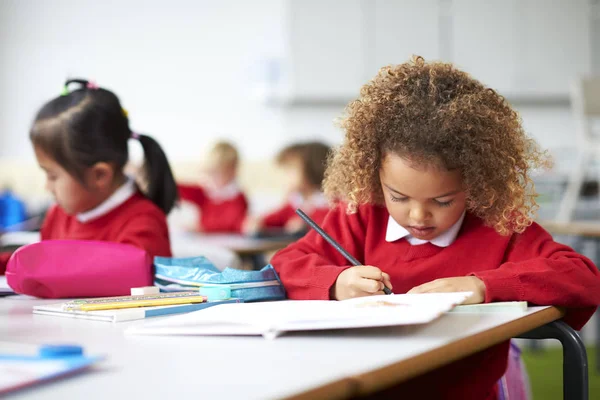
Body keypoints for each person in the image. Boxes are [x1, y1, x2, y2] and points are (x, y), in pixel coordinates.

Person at [270, 57, 600, 399]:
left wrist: (481, 286)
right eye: (398, 196)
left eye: (442, 201)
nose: (418, 216)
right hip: (364, 386)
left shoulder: (497, 223)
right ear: (374, 176)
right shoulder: (360, 214)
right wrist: (337, 282)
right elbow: (286, 265)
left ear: (476, 181)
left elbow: (580, 277)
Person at [32, 78, 175, 258]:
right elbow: (37, 262)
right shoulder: (58, 214)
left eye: (52, 176)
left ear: (99, 175)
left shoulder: (144, 225)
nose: (47, 187)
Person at [243, 142, 330, 236]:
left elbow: (330, 223)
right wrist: (260, 222)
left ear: (313, 170)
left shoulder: (329, 203)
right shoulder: (295, 201)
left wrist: (307, 225)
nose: (286, 176)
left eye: (290, 169)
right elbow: (277, 217)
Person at [178, 141, 248, 233]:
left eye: (216, 173)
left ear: (232, 172)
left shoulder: (238, 198)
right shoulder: (205, 192)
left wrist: (202, 227)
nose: (211, 178)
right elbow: (176, 189)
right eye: (209, 173)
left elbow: (234, 223)